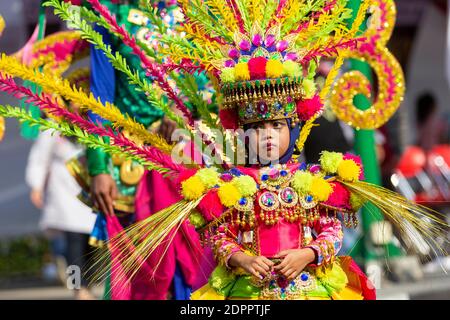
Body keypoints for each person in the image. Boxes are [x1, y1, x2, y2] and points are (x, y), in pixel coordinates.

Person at [25, 125, 97, 300]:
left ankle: (86, 285)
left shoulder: (92, 119)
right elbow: (40, 157)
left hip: (89, 191)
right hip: (64, 193)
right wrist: (36, 185)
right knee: (74, 242)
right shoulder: (53, 124)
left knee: (91, 244)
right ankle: (78, 289)